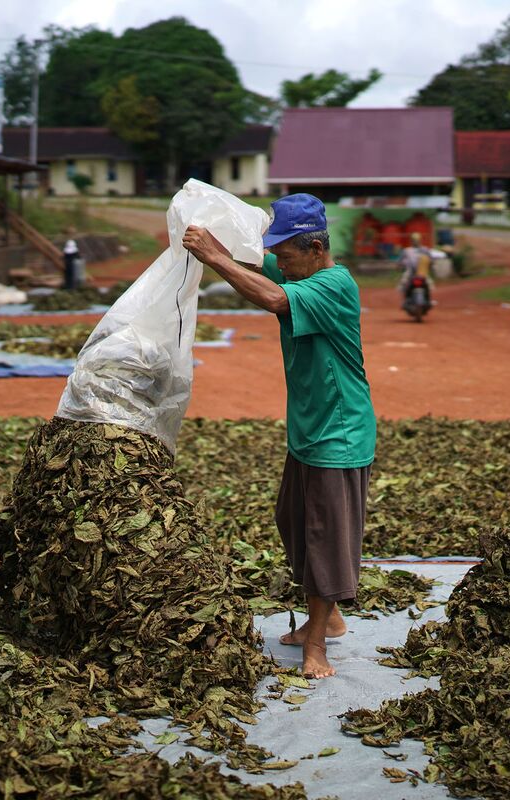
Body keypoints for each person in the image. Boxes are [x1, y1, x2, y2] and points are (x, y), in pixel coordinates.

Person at [182, 194, 376, 679]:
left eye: (287, 257)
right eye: (279, 257)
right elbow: (253, 257)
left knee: (324, 539)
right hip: (308, 432)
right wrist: (201, 227)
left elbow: (270, 296)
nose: (280, 266)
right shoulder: (297, 268)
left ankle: (317, 647)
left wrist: (215, 259)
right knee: (292, 524)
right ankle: (328, 619)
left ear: (315, 248)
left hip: (340, 434)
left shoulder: (334, 285)